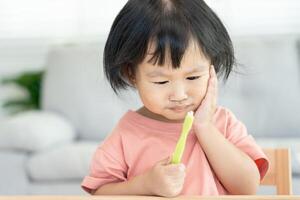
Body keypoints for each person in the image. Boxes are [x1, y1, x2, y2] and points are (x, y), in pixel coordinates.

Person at [81, 0, 269, 197]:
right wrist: (144, 185)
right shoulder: (126, 134)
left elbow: (248, 187)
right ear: (131, 74)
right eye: (161, 81)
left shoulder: (224, 123)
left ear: (211, 67)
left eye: (193, 77)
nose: (179, 95)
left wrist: (205, 127)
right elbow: (100, 193)